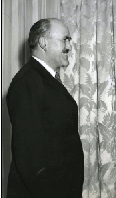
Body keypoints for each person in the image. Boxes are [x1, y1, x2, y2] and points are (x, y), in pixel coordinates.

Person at [6, 18, 84, 198]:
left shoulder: (43, 78)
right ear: (43, 43)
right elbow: (28, 157)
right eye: (64, 39)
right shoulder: (26, 83)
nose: (69, 47)